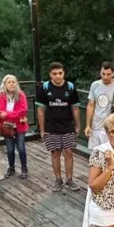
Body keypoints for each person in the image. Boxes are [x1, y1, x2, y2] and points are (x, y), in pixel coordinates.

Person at [36, 62, 81, 191]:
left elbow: (75, 108)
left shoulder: (70, 87)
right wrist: (42, 129)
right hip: (51, 127)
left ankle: (70, 180)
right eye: (54, 73)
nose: (58, 76)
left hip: (67, 125)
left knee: (69, 153)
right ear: (50, 74)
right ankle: (58, 179)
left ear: (64, 73)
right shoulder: (44, 88)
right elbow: (40, 110)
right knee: (55, 153)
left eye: (60, 73)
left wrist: (78, 125)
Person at [86, 62, 114, 149]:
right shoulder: (95, 85)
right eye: (103, 74)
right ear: (100, 73)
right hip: (95, 125)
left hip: (110, 127)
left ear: (113, 73)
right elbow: (90, 105)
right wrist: (88, 125)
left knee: (109, 152)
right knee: (95, 152)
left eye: (108, 74)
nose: (105, 77)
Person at [0, 75, 29, 179]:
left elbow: (23, 110)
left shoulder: (21, 94)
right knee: (10, 149)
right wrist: (15, 115)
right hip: (7, 126)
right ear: (5, 84)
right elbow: (1, 113)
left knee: (21, 147)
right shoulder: (1, 96)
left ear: (16, 83)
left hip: (20, 125)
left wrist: (8, 114)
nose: (12, 84)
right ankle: (11, 167)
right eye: (9, 82)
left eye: (13, 82)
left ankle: (24, 168)